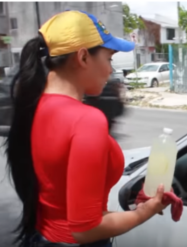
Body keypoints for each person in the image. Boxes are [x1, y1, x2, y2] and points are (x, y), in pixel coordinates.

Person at [5, 10, 168, 247]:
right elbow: (86, 229)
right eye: (109, 59)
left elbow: (61, 200)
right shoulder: (87, 120)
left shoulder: (34, 107)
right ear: (82, 58)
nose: (110, 70)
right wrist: (146, 211)